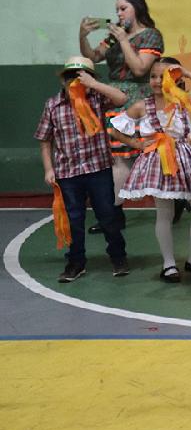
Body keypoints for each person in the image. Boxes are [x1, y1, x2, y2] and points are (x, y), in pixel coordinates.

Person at [112, 57, 191, 282]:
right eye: (153, 76)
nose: (157, 81)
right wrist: (135, 143)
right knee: (164, 213)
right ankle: (168, 264)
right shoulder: (142, 106)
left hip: (187, 160)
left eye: (163, 76)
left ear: (176, 79)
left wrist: (186, 73)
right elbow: (113, 130)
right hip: (159, 160)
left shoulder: (185, 101)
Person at [35, 56, 130, 282]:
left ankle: (118, 257)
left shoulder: (96, 98)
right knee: (74, 220)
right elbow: (45, 140)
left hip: (98, 169)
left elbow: (121, 98)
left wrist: (94, 84)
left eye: (80, 76)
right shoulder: (53, 105)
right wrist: (49, 169)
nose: (74, 81)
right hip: (68, 173)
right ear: (63, 80)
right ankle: (76, 263)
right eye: (70, 76)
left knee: (108, 216)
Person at [77, 0, 165, 230]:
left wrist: (124, 40)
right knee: (118, 158)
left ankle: (174, 201)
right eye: (117, 9)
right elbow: (93, 56)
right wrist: (82, 36)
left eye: (123, 8)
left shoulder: (151, 35)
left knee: (147, 154)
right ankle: (114, 215)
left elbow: (140, 69)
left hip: (139, 98)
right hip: (113, 98)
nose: (119, 13)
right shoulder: (115, 35)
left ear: (137, 8)